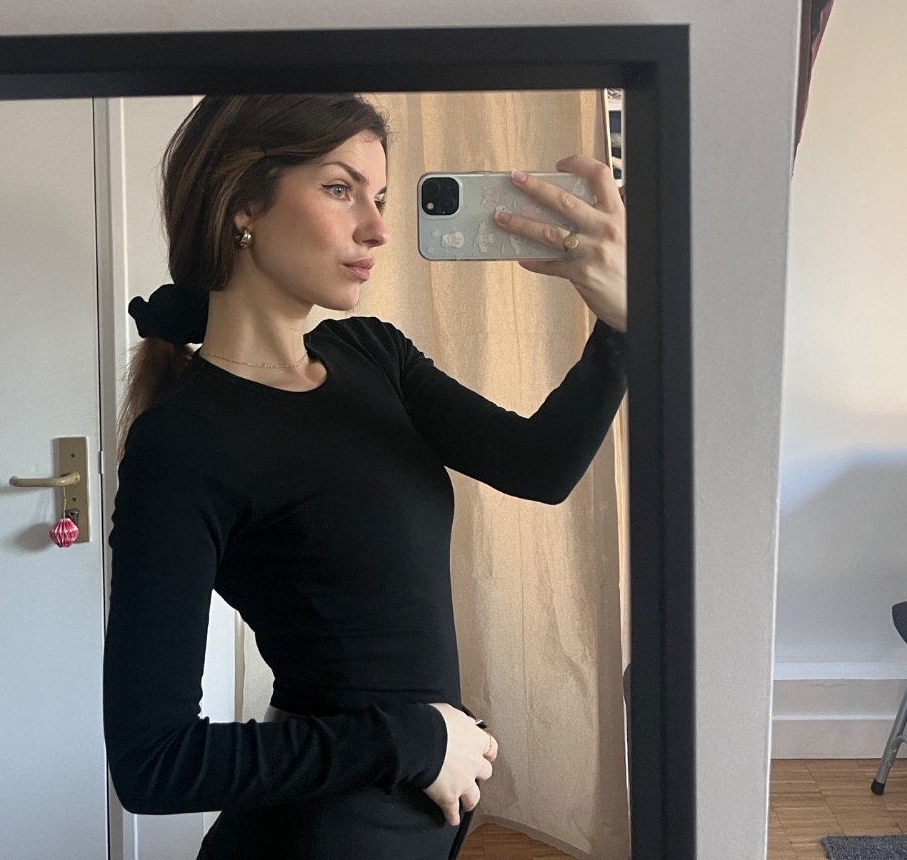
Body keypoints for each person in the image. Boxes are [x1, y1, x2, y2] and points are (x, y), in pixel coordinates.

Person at [102, 93, 629, 860]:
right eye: (340, 189)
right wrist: (413, 739)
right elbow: (153, 763)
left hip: (414, 824)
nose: (378, 229)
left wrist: (619, 327)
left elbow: (541, 465)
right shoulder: (183, 442)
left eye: (378, 198)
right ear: (242, 201)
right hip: (319, 838)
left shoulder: (372, 354)